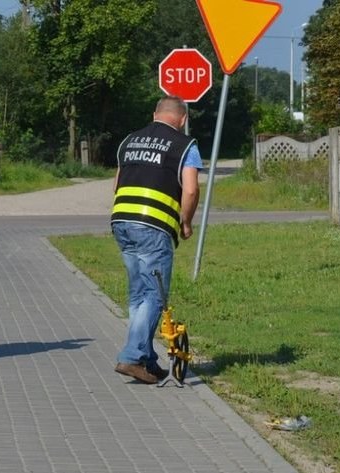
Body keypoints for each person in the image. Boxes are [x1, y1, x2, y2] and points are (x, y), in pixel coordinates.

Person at [112, 96, 202, 384]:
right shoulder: (185, 145)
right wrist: (185, 222)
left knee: (139, 293)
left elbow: (117, 183)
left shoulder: (129, 140)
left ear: (154, 114)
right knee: (154, 294)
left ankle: (147, 361)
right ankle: (132, 356)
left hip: (122, 221)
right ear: (183, 119)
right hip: (153, 226)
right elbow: (189, 190)